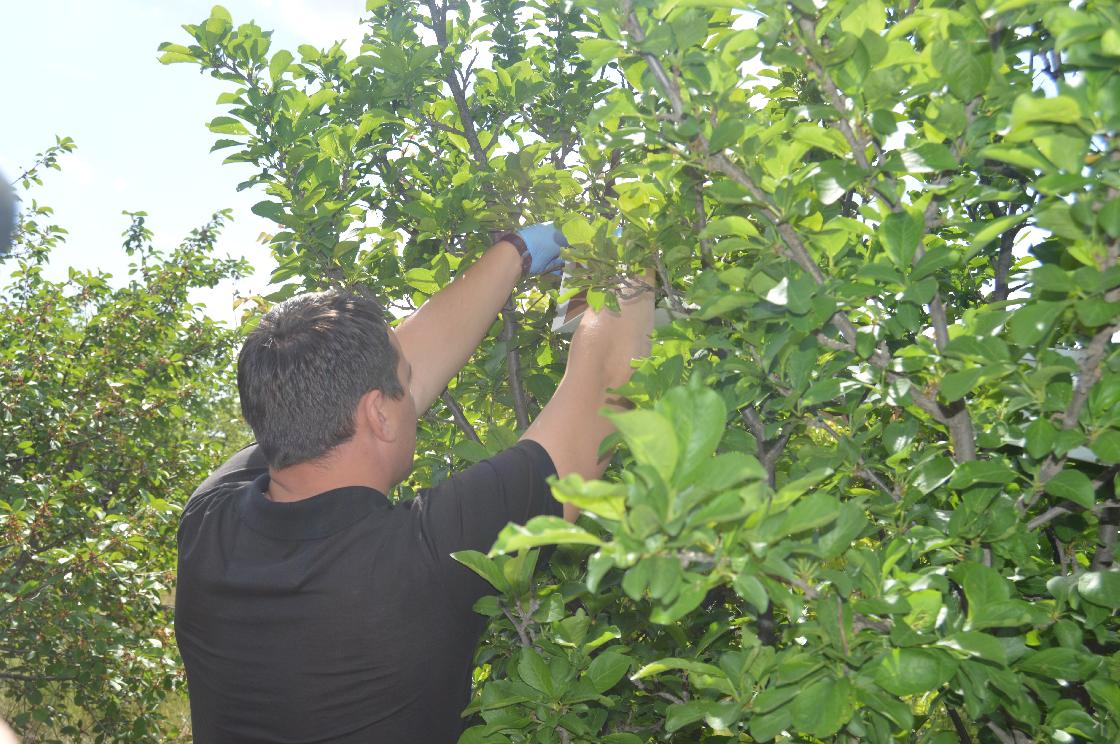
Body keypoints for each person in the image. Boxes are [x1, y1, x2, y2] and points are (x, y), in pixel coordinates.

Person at [175, 223, 654, 742]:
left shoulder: (208, 523)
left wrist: (517, 252)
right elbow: (607, 382)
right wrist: (627, 249)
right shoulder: (429, 556)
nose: (413, 385)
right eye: (402, 383)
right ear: (378, 413)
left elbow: (353, 388)